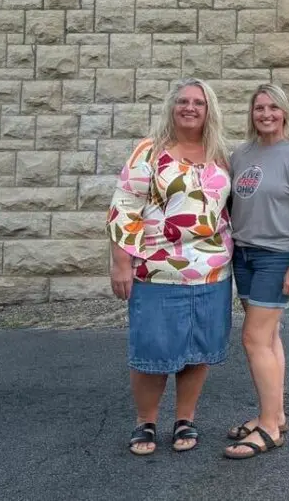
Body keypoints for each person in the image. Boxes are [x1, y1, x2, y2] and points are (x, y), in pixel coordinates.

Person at [108, 78, 233, 456]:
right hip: (157, 270)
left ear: (209, 110)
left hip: (212, 272)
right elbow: (124, 207)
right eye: (183, 101)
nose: (190, 107)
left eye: (198, 102)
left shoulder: (220, 155)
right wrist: (121, 262)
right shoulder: (150, 152)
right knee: (154, 351)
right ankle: (145, 422)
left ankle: (185, 419)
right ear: (172, 107)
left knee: (197, 351)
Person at [224, 83, 289, 460]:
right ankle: (275, 414)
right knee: (268, 338)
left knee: (253, 338)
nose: (266, 114)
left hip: (277, 255)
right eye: (259, 108)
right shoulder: (242, 154)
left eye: (273, 108)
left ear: (285, 112)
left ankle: (268, 429)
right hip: (245, 254)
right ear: (251, 114)